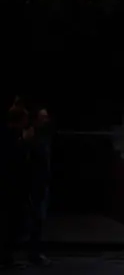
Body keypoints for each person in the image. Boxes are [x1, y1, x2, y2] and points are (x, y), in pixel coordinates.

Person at [21, 108, 52, 266]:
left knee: (39, 219)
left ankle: (35, 251)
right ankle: (33, 253)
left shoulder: (42, 137)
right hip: (35, 183)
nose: (46, 120)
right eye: (43, 117)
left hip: (41, 182)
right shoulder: (32, 137)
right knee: (36, 218)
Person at [1, 99, 29, 270]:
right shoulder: (11, 137)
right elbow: (12, 161)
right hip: (10, 188)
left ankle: (7, 257)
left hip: (14, 187)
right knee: (9, 224)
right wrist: (23, 143)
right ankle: (5, 258)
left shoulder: (14, 136)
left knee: (12, 224)